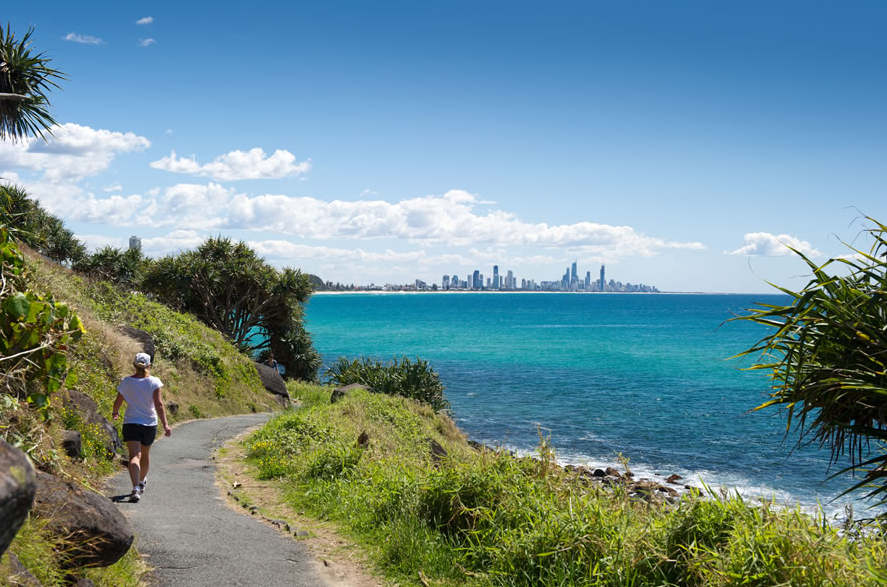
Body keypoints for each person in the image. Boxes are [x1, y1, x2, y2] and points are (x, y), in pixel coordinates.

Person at [112, 352, 171, 502]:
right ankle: (141, 482)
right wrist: (165, 424)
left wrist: (115, 412)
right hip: (149, 423)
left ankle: (135, 489)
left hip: (131, 422)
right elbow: (158, 404)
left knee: (134, 456)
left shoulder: (126, 381)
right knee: (144, 455)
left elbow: (118, 400)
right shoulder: (154, 382)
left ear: (134, 364)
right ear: (149, 365)